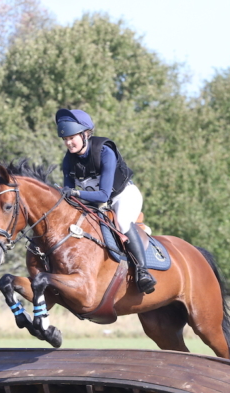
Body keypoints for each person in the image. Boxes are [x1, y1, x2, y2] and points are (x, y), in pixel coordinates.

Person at [55, 108, 157, 294]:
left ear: (85, 134)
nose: (68, 143)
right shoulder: (68, 161)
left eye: (72, 137)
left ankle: (143, 272)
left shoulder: (104, 152)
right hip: (96, 204)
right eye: (65, 139)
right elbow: (69, 197)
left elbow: (102, 195)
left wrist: (75, 194)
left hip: (123, 196)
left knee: (124, 223)